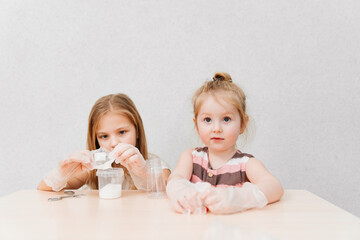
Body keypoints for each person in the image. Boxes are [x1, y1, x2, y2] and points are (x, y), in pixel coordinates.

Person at [166, 72, 284, 214]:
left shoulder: (246, 164)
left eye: (226, 119)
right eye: (207, 120)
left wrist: (237, 198)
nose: (216, 129)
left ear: (242, 124)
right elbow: (175, 179)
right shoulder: (190, 157)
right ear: (196, 125)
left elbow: (274, 187)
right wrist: (180, 193)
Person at [38, 93, 170, 191]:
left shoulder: (155, 164)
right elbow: (42, 191)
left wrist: (143, 173)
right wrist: (60, 174)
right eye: (104, 136)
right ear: (95, 138)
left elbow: (167, 190)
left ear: (138, 131)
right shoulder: (92, 169)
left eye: (122, 132)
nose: (114, 143)